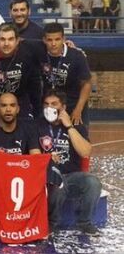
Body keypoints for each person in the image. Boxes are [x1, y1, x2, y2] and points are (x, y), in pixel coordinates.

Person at [37, 90, 101, 235]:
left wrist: (69, 127)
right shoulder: (37, 125)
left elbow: (85, 152)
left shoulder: (76, 126)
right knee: (57, 184)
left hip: (72, 175)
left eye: (54, 104)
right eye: (46, 104)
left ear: (63, 107)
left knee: (93, 182)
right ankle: (51, 223)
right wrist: (46, 158)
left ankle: (84, 223)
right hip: (48, 175)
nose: (49, 108)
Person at [0, 93, 41, 239]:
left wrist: (45, 158)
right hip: (0, 180)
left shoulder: (28, 128)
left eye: (12, 105)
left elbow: (36, 157)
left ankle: (35, 222)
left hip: (22, 178)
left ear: (18, 109)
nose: (8, 109)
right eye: (4, 105)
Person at [0, 24, 38, 129]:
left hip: (19, 101)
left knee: (28, 128)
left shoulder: (27, 55)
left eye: (10, 39)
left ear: (17, 41)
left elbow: (34, 86)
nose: (6, 44)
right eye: (2, 39)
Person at [41, 23, 91, 127]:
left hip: (73, 105)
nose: (53, 43)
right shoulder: (39, 54)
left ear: (64, 39)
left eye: (57, 39)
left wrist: (78, 109)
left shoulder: (76, 56)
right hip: (51, 107)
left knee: (79, 138)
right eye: (49, 40)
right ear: (44, 40)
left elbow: (86, 84)